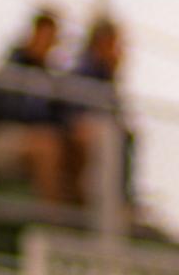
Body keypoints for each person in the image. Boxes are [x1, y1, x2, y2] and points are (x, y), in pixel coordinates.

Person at [0, 7, 73, 204]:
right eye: (45, 36)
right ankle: (53, 221)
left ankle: (79, 222)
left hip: (24, 142)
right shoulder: (10, 70)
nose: (48, 44)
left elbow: (55, 120)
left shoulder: (49, 80)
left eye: (52, 39)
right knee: (45, 146)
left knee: (66, 146)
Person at [56, 16, 134, 217]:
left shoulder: (107, 80)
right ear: (102, 43)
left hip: (97, 153)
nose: (119, 52)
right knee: (105, 135)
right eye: (115, 45)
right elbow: (69, 116)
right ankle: (103, 211)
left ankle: (115, 206)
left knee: (114, 135)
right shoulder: (83, 73)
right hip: (76, 145)